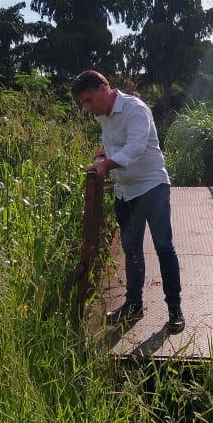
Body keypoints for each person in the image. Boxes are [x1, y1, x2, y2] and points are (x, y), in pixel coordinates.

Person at [72, 70, 184, 334]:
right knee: (131, 249)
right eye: (84, 103)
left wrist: (106, 164)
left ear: (103, 88)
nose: (87, 108)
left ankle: (175, 310)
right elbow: (111, 146)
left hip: (152, 186)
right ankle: (133, 305)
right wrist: (102, 157)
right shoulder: (104, 116)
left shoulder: (136, 109)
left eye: (89, 100)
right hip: (125, 192)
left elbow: (135, 148)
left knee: (163, 247)